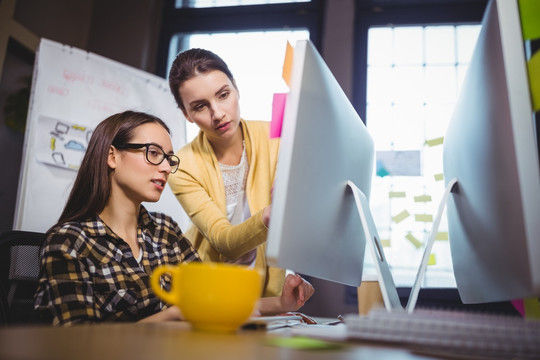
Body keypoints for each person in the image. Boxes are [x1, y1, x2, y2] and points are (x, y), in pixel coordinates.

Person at [34, 110, 314, 326]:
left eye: (169, 158)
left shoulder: (165, 231)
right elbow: (77, 341)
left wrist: (281, 303)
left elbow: (215, 301)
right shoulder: (68, 242)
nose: (167, 167)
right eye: (154, 153)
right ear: (112, 156)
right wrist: (171, 318)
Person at [167, 48, 284, 297]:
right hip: (209, 290)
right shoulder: (182, 165)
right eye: (200, 106)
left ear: (236, 89)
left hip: (268, 294)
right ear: (187, 114)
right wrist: (271, 215)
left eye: (223, 95)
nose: (218, 113)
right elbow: (224, 241)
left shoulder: (275, 137)